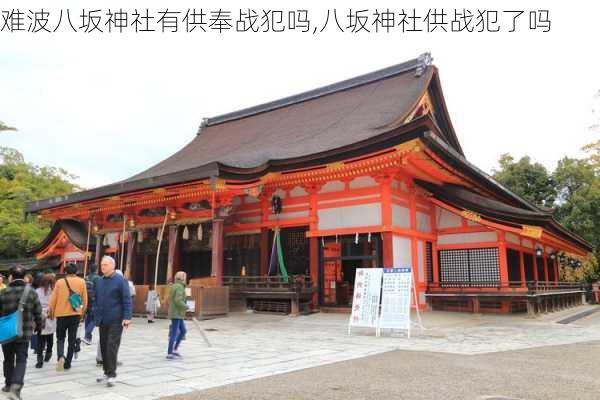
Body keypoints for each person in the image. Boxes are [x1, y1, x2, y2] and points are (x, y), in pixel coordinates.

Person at [0, 265, 43, 400]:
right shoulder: (31, 292)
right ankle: (16, 387)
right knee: (21, 359)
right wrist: (39, 326)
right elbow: (38, 312)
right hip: (24, 332)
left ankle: (8, 384)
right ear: (25, 277)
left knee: (8, 359)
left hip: (6, 332)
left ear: (10, 277)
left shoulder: (3, 292)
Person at [95, 256, 132, 387]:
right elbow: (97, 299)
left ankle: (112, 374)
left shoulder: (120, 280)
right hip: (102, 319)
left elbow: (127, 299)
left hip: (116, 319)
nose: (102, 267)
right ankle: (106, 372)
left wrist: (127, 317)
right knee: (104, 346)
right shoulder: (99, 281)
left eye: (105, 264)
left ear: (112, 266)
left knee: (112, 345)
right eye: (101, 264)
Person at [48, 263, 88, 372]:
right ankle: (68, 363)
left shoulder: (60, 282)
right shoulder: (81, 281)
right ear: (76, 272)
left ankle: (60, 356)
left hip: (61, 314)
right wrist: (82, 313)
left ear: (65, 272)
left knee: (60, 338)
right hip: (75, 314)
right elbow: (85, 299)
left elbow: (53, 299)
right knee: (72, 339)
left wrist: (50, 312)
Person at [34, 274, 56, 369]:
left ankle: (39, 360)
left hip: (40, 316)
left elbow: (34, 304)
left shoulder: (37, 291)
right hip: (51, 315)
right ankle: (48, 353)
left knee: (40, 339)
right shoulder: (55, 291)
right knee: (50, 336)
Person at [166, 271, 188, 360]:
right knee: (174, 333)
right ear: (183, 278)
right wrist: (185, 306)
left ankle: (175, 349)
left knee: (183, 330)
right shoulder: (179, 287)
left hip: (177, 312)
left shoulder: (175, 286)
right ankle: (170, 353)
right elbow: (178, 300)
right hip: (176, 313)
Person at [83, 264, 100, 345]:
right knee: (94, 318)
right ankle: (87, 332)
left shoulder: (86, 277)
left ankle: (88, 338)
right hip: (94, 300)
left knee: (88, 318)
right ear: (96, 270)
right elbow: (99, 290)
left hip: (86, 300)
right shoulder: (97, 278)